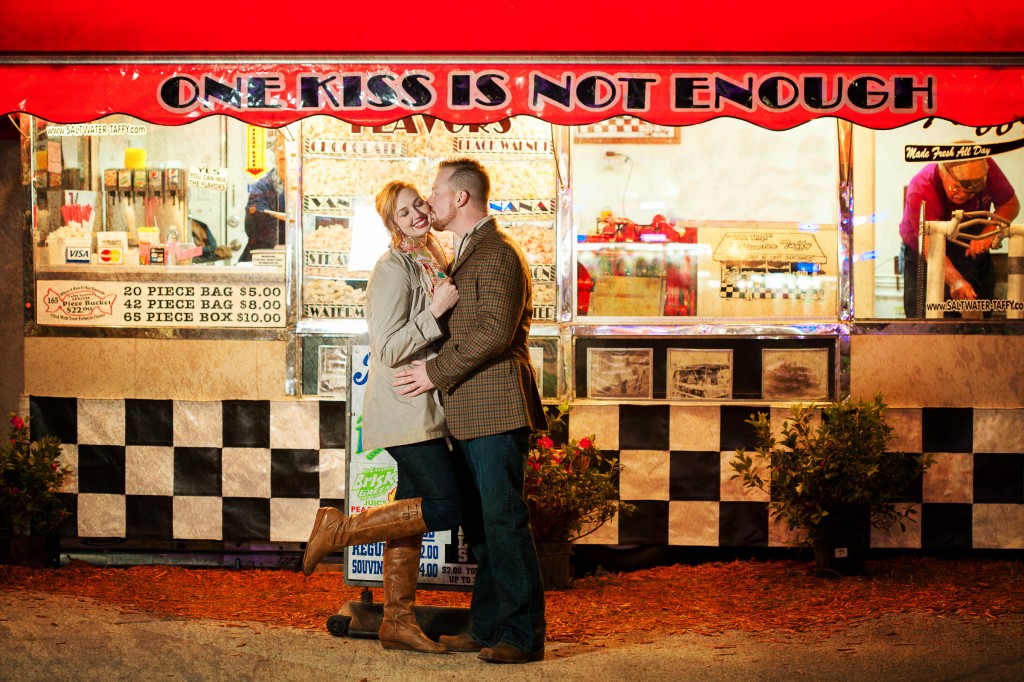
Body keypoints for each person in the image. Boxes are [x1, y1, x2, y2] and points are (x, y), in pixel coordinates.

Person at [394, 158, 548, 664]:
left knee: (504, 522)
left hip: (496, 409)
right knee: (483, 528)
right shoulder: (468, 251)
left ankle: (522, 637)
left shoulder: (498, 254)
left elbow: (492, 333)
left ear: (460, 198)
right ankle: (487, 629)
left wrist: (433, 374)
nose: (429, 201)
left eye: (436, 192)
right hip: (473, 411)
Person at [302, 181, 463, 655]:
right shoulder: (393, 268)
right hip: (403, 406)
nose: (416, 215)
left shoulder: (428, 255)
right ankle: (337, 531)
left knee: (408, 516)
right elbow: (388, 347)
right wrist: (434, 312)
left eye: (419, 206)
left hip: (425, 405)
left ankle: (396, 620)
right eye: (404, 212)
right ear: (391, 223)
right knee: (447, 505)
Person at [899, 151, 1020, 317]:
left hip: (970, 246)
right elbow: (931, 249)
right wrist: (955, 281)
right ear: (943, 173)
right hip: (926, 251)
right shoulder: (922, 188)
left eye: (971, 192)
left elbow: (1010, 204)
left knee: (981, 313)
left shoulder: (986, 166)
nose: (963, 195)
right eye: (956, 187)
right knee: (924, 321)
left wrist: (988, 232)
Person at [239, 135, 287, 262]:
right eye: (283, 159)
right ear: (276, 158)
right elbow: (256, 225)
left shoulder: (307, 187)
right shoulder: (261, 188)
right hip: (265, 259)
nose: (287, 164)